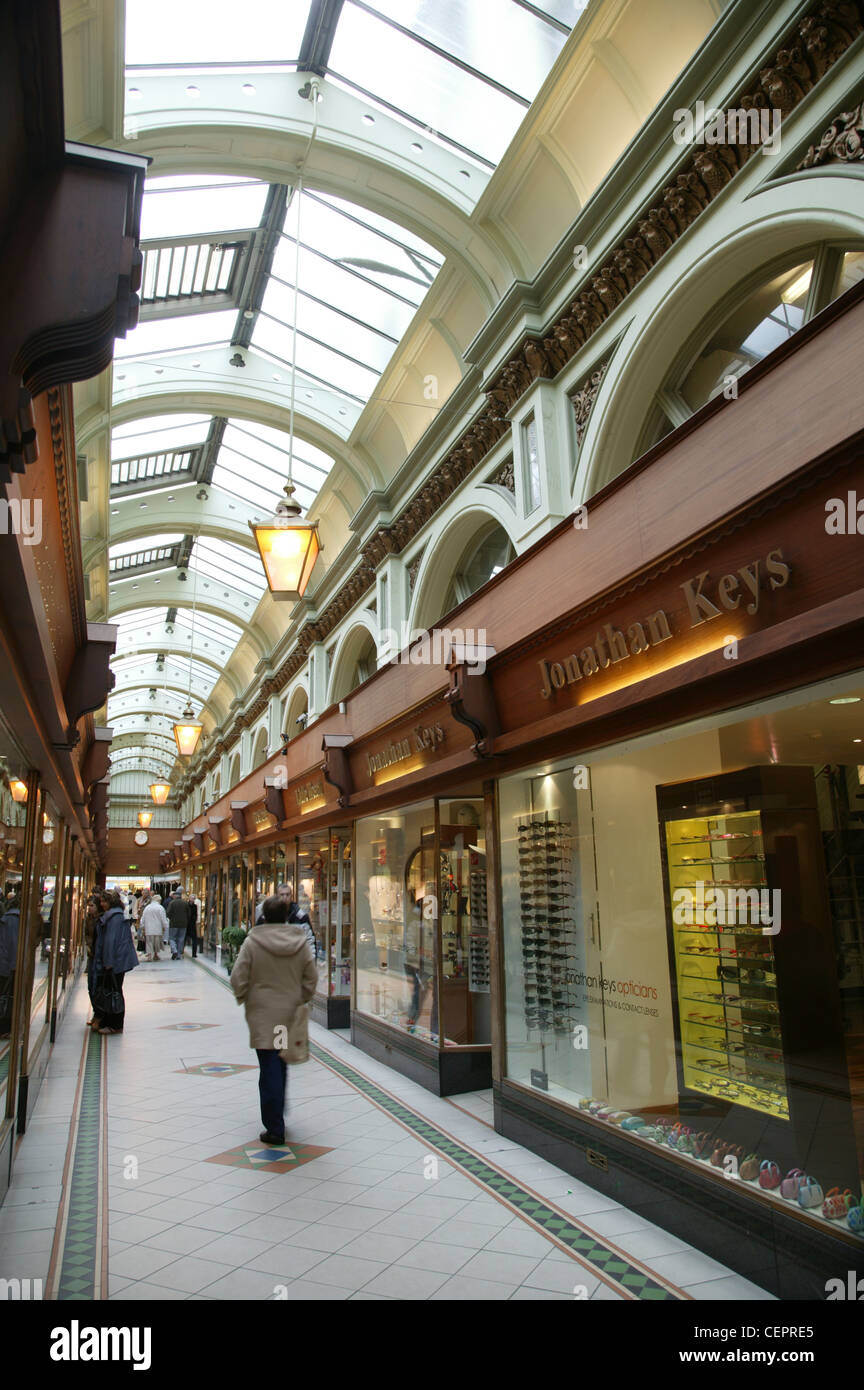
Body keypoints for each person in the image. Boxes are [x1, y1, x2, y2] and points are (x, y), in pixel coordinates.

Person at [230, 894, 316, 1145]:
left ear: (264, 916)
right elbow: (311, 978)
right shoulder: (299, 941)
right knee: (279, 1061)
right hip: (287, 1013)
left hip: (262, 1013)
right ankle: (278, 1109)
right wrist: (300, 997)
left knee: (269, 1064)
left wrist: (244, 995)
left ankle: (275, 1126)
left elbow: (238, 976)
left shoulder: (253, 942)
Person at [92, 890, 139, 1033]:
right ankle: (108, 1022)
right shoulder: (115, 916)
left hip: (115, 961)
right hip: (118, 960)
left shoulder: (114, 918)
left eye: (104, 901)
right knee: (113, 990)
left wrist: (108, 962)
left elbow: (110, 942)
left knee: (114, 991)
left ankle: (115, 1024)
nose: (102, 904)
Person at [0, 893, 21, 1039]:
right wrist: (15, 966)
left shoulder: (9, 918)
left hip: (6, 964)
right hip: (8, 966)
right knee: (8, 997)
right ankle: (5, 1027)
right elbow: (13, 944)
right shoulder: (14, 920)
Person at [140, 893, 169, 961]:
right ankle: (155, 955)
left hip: (148, 928)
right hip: (158, 929)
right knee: (156, 943)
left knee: (149, 942)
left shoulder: (147, 907)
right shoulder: (160, 908)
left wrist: (142, 926)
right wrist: (166, 926)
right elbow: (163, 918)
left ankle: (149, 956)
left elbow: (143, 918)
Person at [165, 889, 190, 959]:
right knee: (181, 939)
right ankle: (179, 954)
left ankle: (174, 950)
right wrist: (186, 920)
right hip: (183, 924)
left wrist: (171, 918)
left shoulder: (172, 903)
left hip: (173, 924)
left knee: (172, 938)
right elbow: (189, 914)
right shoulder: (185, 903)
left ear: (175, 896)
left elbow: (168, 913)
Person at [185, 892, 200, 958]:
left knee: (194, 939)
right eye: (192, 898)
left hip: (192, 924)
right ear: (189, 899)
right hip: (186, 924)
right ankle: (181, 952)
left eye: (194, 898)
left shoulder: (195, 906)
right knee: (184, 939)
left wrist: (195, 920)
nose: (193, 900)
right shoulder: (186, 905)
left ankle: (194, 953)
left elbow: (195, 914)